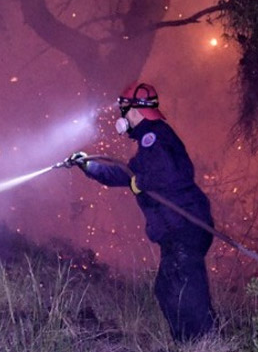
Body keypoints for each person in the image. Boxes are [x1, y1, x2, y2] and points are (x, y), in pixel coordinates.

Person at [66, 82, 216, 343]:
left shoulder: (154, 136)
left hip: (185, 226)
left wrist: (141, 182)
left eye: (124, 109)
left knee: (180, 286)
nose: (121, 116)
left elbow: (167, 172)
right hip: (179, 229)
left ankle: (204, 342)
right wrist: (87, 165)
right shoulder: (150, 142)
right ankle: (192, 342)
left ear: (135, 111)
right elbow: (123, 174)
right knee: (170, 288)